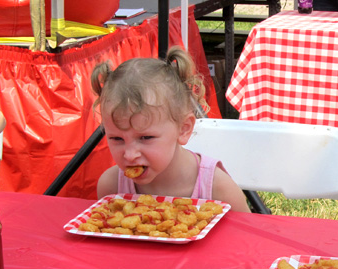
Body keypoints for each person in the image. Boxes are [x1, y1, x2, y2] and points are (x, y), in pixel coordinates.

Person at [91, 47, 250, 212]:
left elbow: (248, 235)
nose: (130, 155)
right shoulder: (112, 187)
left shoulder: (217, 189)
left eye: (145, 138)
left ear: (183, 129)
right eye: (117, 139)